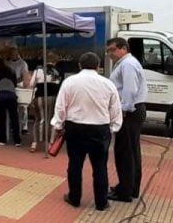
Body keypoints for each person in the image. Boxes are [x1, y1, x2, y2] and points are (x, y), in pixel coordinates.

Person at [51, 52, 122, 211]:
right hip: (100, 129)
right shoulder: (108, 84)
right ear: (98, 66)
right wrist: (112, 128)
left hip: (75, 127)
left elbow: (61, 106)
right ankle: (101, 202)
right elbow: (115, 109)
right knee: (100, 166)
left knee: (75, 164)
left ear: (79, 66)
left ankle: (74, 198)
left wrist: (58, 125)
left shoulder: (69, 82)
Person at [106, 38, 148, 202]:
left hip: (130, 112)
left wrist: (123, 110)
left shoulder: (128, 64)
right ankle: (130, 188)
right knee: (131, 151)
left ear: (123, 48)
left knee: (124, 152)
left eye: (112, 50)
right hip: (133, 111)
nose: (110, 54)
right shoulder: (126, 63)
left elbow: (130, 90)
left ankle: (124, 191)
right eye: (108, 50)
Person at [28, 53, 62, 152]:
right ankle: (50, 143)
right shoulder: (58, 71)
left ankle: (35, 143)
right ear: (56, 61)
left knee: (39, 119)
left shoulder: (38, 69)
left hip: (39, 97)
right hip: (53, 97)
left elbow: (31, 84)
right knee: (51, 119)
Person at [0, 63, 20, 146]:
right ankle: (17, 140)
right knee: (14, 118)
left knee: (2, 118)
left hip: (1, 95)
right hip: (11, 95)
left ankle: (2, 139)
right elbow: (15, 85)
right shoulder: (12, 73)